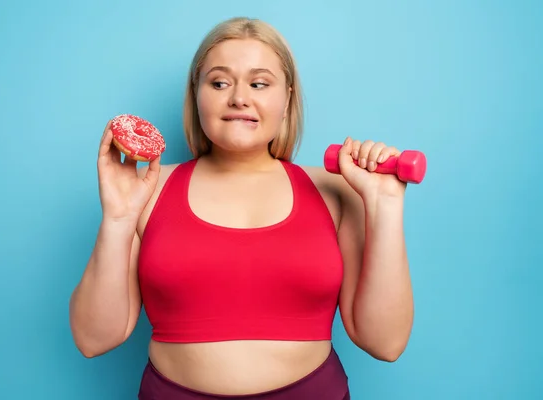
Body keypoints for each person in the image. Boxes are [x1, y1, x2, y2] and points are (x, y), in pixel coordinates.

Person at [69, 16, 414, 400]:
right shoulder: (145, 189)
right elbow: (92, 339)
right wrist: (118, 218)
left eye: (259, 83)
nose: (238, 97)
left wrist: (385, 206)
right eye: (219, 82)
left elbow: (386, 343)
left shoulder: (338, 190)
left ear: (287, 97)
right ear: (196, 93)